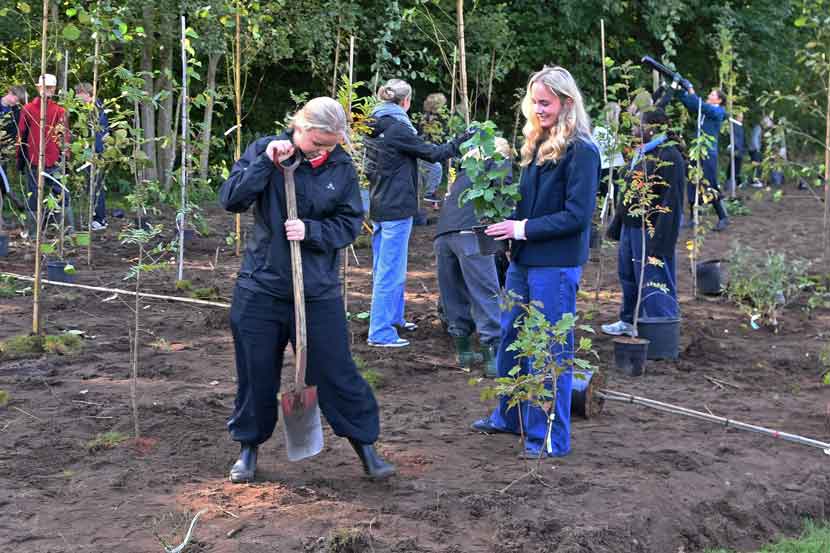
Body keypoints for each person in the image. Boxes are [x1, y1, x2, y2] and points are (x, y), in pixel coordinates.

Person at [218, 97, 395, 483]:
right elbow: (231, 198)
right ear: (298, 128)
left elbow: (350, 222)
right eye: (318, 143)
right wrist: (266, 162)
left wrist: (312, 231)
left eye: (331, 144)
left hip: (315, 290)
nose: (324, 151)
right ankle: (249, 447)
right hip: (261, 286)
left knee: (335, 371)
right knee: (256, 372)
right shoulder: (265, 151)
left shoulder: (340, 167)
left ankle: (366, 447)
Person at [470, 66, 600, 458]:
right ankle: (509, 417)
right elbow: (527, 205)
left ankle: (549, 439)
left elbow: (577, 216)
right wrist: (503, 220)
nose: (537, 108)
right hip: (525, 262)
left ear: (567, 102)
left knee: (548, 348)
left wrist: (521, 228)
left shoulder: (582, 151)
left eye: (545, 102)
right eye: (534, 102)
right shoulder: (538, 146)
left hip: (554, 265)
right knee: (511, 338)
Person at [365, 78, 471, 348]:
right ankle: (380, 331)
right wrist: (461, 140)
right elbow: (433, 154)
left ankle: (394, 318)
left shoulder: (374, 123)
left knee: (385, 267)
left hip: (379, 204)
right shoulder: (399, 128)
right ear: (406, 102)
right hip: (397, 207)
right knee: (391, 270)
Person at [602, 108, 685, 337]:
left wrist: (661, 240)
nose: (634, 129)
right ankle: (629, 321)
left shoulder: (669, 156)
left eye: (639, 125)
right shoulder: (642, 153)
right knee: (628, 274)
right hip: (632, 227)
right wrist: (618, 223)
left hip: (650, 229)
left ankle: (662, 328)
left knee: (653, 278)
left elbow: (672, 202)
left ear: (654, 128)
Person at [434, 136, 512, 377]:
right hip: (472, 234)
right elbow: (505, 199)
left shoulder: (465, 173)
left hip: (443, 236)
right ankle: (493, 358)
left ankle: (464, 353)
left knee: (453, 293)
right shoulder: (498, 163)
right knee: (485, 293)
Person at [17, 74, 72, 237]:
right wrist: (20, 159)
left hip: (54, 159)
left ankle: (64, 231)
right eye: (45, 87)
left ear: (54, 89)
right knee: (34, 195)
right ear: (39, 88)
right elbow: (22, 135)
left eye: (50, 88)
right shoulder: (28, 109)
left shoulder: (59, 111)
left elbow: (63, 136)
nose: (48, 90)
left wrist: (66, 157)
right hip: (33, 159)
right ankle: (34, 231)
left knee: (61, 193)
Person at [675, 84, 729, 231]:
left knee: (710, 184)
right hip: (697, 150)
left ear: (718, 101)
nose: (709, 96)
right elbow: (691, 103)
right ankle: (694, 218)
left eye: (712, 95)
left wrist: (692, 90)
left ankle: (723, 217)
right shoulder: (706, 109)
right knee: (693, 181)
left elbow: (699, 104)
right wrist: (680, 89)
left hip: (708, 153)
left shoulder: (718, 112)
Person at [75, 82, 110, 230]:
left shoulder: (96, 109)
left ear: (86, 94)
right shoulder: (92, 108)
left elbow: (99, 134)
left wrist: (92, 154)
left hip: (96, 154)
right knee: (93, 186)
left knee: (96, 186)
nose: (76, 96)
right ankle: (97, 217)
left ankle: (100, 219)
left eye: (78, 93)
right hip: (93, 152)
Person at [0, 85, 26, 225]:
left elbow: (16, 131)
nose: (17, 103)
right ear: (10, 93)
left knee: (2, 184)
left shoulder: (16, 111)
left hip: (5, 152)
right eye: (16, 99)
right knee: (2, 183)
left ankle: (2, 217)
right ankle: (15, 200)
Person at [418, 92, 448, 203]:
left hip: (426, 148)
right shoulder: (432, 118)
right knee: (436, 169)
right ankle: (429, 194)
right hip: (426, 149)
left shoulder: (425, 117)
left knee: (428, 172)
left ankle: (428, 193)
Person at [592, 101, 625, 199]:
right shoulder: (601, 130)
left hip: (613, 167)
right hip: (607, 168)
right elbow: (611, 149)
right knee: (609, 197)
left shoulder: (610, 130)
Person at [728, 112, 745, 190]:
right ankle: (733, 183)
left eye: (742, 117)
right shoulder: (735, 126)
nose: (742, 118)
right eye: (740, 117)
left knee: (735, 166)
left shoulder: (739, 126)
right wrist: (736, 148)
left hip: (739, 149)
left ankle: (736, 182)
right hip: (736, 150)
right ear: (736, 117)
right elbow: (735, 139)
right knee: (735, 167)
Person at [748, 117, 764, 187]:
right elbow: (754, 138)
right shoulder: (758, 128)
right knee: (757, 165)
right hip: (754, 150)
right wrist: (757, 148)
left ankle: (752, 180)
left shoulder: (757, 128)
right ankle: (755, 181)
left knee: (755, 165)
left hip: (753, 149)